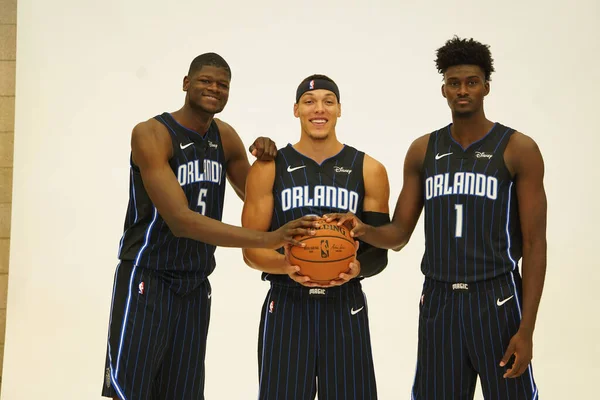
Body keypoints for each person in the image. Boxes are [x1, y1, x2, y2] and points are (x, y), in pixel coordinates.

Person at [325, 36, 546, 399]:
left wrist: (527, 330)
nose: (463, 90)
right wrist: (363, 229)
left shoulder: (518, 148)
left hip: (496, 296)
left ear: (486, 87)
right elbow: (398, 235)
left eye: (471, 82)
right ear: (444, 88)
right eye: (455, 83)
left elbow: (536, 244)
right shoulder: (423, 150)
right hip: (439, 297)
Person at [102, 53, 319, 400]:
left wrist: (267, 162)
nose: (214, 89)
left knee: (182, 393)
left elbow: (259, 200)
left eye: (223, 85)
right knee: (129, 391)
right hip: (148, 278)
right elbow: (181, 221)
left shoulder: (226, 137)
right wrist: (268, 239)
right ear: (186, 83)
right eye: (205, 81)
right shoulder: (152, 133)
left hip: (195, 283)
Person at [241, 74, 391, 400]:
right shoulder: (269, 168)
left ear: (339, 109)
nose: (318, 109)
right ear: (296, 109)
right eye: (309, 102)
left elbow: (379, 253)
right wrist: (288, 266)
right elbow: (251, 249)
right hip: (287, 303)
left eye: (328, 101)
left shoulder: (369, 169)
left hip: (345, 303)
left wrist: (357, 269)